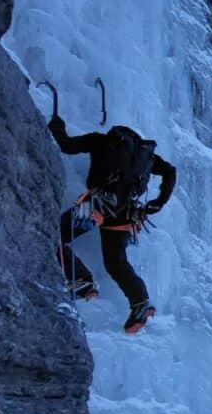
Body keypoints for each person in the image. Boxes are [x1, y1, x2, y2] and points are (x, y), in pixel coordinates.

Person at [48, 113, 175, 334]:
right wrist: (157, 203)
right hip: (125, 213)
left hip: (99, 205)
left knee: (55, 235)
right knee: (116, 262)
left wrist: (57, 127)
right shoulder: (147, 158)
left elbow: (66, 145)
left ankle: (81, 280)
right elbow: (170, 172)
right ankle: (140, 302)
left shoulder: (101, 140)